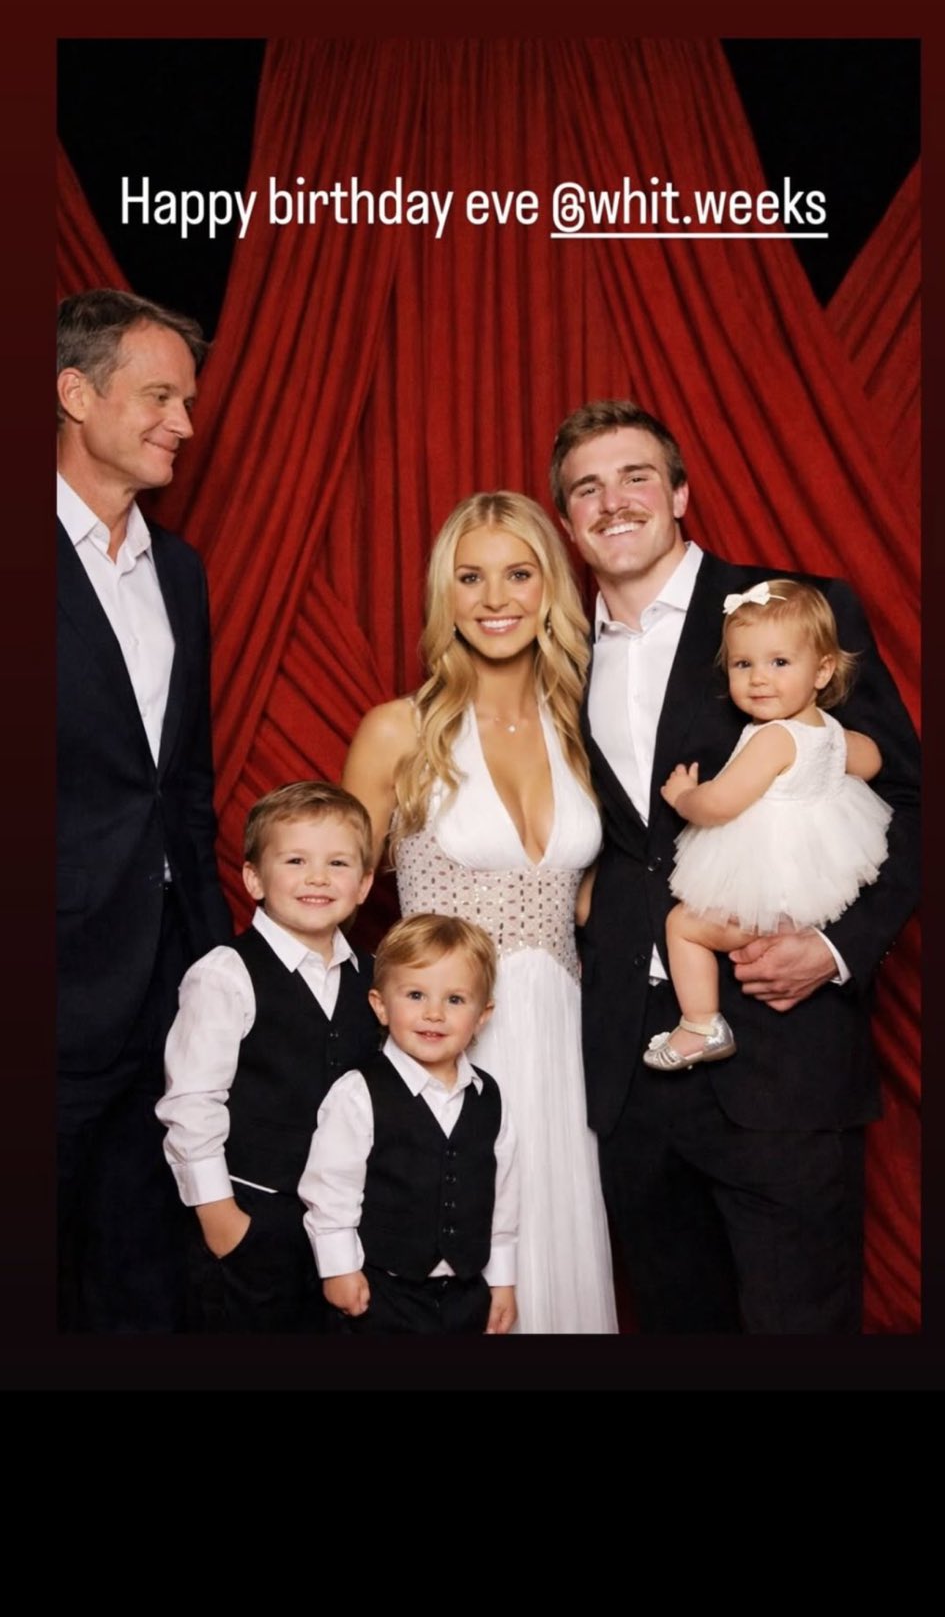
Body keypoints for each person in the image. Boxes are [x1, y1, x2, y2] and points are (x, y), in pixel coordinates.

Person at [550, 399, 920, 1335]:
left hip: (784, 1050)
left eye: (635, 476)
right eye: (586, 488)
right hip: (630, 1067)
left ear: (679, 493)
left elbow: (907, 796)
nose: (613, 501)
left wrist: (834, 950)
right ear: (565, 519)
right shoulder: (551, 649)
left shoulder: (792, 610)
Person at [343, 493, 618, 1335]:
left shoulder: (588, 729)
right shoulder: (398, 730)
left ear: (549, 589)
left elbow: (604, 895)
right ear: (445, 595)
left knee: (557, 1261)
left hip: (564, 1045)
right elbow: (323, 894)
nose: (494, 599)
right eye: (470, 578)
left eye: (518, 574)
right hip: (445, 1046)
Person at [57, 288, 233, 1331]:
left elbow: (185, 783)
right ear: (76, 394)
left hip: (166, 988)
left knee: (146, 1280)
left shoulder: (180, 569)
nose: (185, 423)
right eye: (161, 396)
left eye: (189, 401)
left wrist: (211, 956)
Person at [158, 781, 380, 1332]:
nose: (317, 877)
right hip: (253, 1222)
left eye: (337, 863)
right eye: (296, 860)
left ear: (364, 885)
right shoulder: (225, 974)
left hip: (347, 1229)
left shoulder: (375, 980)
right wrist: (221, 1219)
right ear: (254, 878)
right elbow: (192, 1105)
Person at [646, 579, 892, 1069]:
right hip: (816, 885)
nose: (759, 679)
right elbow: (872, 761)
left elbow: (720, 803)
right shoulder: (829, 730)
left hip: (769, 889)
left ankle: (701, 1025)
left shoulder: (774, 738)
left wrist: (683, 796)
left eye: (779, 663)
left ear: (823, 670)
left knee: (683, 926)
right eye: (743, 665)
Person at [300, 913, 518, 1334]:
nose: (434, 1013)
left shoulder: (490, 1098)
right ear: (381, 1006)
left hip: (466, 1294)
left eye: (455, 1000)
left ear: (482, 1014)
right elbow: (330, 1189)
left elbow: (503, 1199)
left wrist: (502, 1280)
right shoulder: (358, 1093)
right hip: (383, 1294)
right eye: (416, 995)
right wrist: (339, 1268)